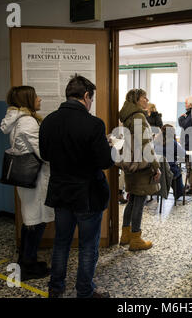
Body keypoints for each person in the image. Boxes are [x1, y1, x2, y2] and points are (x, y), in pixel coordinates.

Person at [39, 75, 113, 298]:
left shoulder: (48, 120)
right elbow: (104, 162)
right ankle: (85, 291)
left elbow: (45, 154)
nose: (91, 103)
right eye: (91, 98)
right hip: (87, 195)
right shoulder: (94, 124)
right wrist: (107, 145)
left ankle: (55, 288)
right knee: (88, 246)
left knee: (61, 242)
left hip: (61, 192)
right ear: (86, 95)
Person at [0, 86, 53, 281]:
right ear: (28, 100)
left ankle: (26, 260)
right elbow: (43, 154)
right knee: (34, 222)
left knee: (31, 220)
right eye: (36, 96)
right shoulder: (28, 122)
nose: (40, 99)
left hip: (27, 179)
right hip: (35, 179)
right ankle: (27, 266)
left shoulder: (17, 120)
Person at [119, 88, 161, 251]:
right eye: (144, 97)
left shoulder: (128, 116)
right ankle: (136, 239)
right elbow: (145, 145)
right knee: (139, 201)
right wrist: (156, 166)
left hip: (132, 165)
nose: (147, 100)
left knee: (132, 200)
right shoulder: (138, 117)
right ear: (136, 100)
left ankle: (126, 234)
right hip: (142, 166)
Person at [154, 124, 186, 199]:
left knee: (170, 171)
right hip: (169, 170)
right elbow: (183, 153)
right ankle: (179, 193)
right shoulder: (172, 142)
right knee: (177, 172)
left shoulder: (155, 142)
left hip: (156, 170)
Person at [178, 97, 192, 195]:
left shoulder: (191, 114)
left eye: (186, 103)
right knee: (189, 166)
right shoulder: (189, 113)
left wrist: (181, 117)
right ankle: (190, 184)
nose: (185, 105)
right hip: (188, 143)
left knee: (191, 166)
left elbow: (183, 123)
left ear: (190, 104)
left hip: (191, 144)